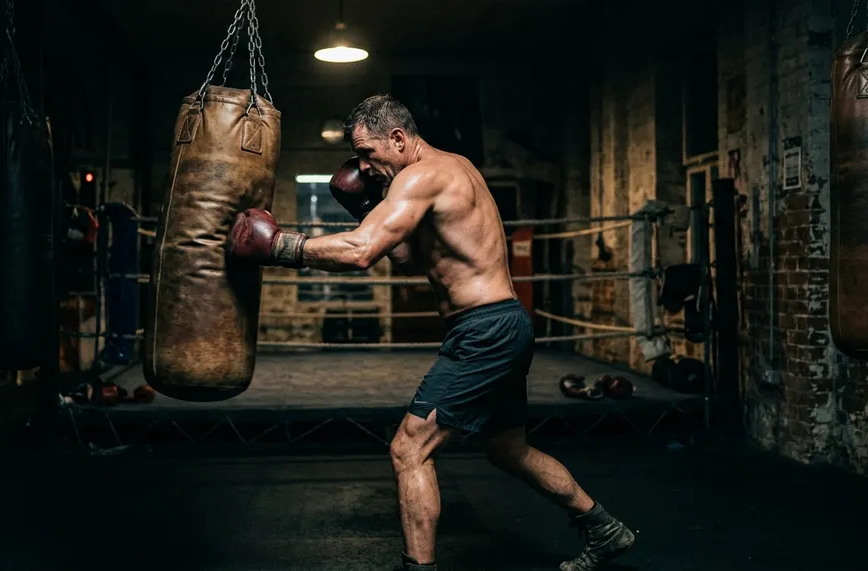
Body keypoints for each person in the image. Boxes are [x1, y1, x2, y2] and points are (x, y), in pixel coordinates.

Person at [227, 95, 635, 571]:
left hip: (485, 331)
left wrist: (278, 246)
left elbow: (361, 253)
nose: (362, 164)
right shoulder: (453, 167)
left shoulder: (422, 176)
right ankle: (605, 529)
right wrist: (366, 206)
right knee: (508, 449)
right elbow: (408, 260)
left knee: (409, 448)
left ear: (398, 139)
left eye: (367, 152)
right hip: (502, 323)